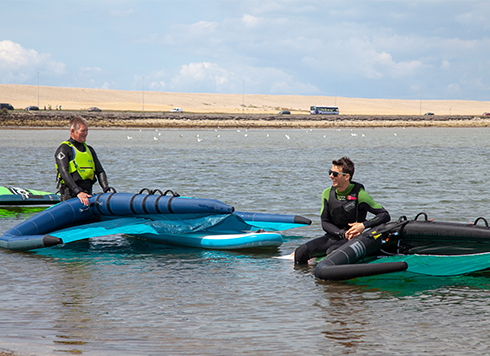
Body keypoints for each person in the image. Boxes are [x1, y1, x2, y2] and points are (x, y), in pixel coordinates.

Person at [294, 156, 390, 265]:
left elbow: (384, 215)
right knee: (300, 252)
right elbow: (325, 222)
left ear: (346, 177)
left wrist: (363, 225)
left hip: (352, 239)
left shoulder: (360, 194)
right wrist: (342, 233)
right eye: (330, 172)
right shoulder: (327, 193)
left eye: (335, 174)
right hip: (333, 236)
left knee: (332, 253)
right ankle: (306, 278)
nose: (331, 176)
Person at [55, 116, 109, 205]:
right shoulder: (64, 149)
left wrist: (106, 189)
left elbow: (100, 171)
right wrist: (78, 192)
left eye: (87, 130)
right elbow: (64, 172)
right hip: (71, 196)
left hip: (88, 196)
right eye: (83, 131)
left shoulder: (89, 150)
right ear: (73, 131)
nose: (86, 133)